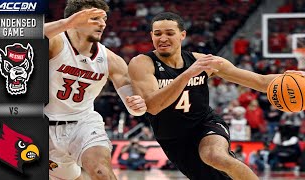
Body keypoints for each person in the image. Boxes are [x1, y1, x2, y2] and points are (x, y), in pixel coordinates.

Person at [128, 12, 305, 180]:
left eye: (169, 33)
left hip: (204, 123)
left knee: (215, 156)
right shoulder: (142, 63)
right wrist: (188, 74)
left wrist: (286, 79)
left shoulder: (203, 61)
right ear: (151, 35)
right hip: (172, 137)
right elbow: (153, 106)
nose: (163, 38)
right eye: (158, 33)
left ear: (182, 35)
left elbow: (259, 81)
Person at [44, 0, 146, 179]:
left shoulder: (111, 60)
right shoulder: (55, 43)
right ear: (74, 20)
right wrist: (66, 24)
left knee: (101, 171)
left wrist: (138, 105)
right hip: (42, 127)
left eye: (104, 18)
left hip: (83, 124)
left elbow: (134, 107)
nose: (102, 24)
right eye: (94, 19)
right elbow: (20, 36)